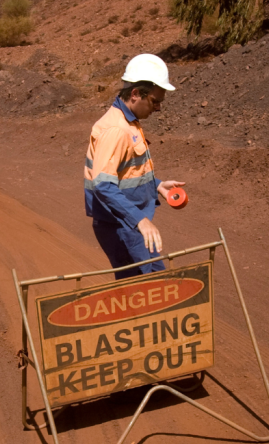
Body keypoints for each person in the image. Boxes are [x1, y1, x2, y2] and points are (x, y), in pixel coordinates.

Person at [84, 54, 186, 279]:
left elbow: (126, 171)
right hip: (121, 225)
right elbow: (103, 185)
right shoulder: (116, 129)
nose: (158, 108)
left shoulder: (129, 121)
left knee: (156, 284)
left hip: (129, 223)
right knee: (144, 290)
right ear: (135, 94)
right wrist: (140, 220)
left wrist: (157, 185)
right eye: (155, 101)